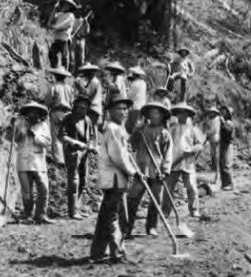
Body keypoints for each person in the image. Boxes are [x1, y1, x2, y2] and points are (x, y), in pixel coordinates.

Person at [90, 94, 137, 263]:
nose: (124, 112)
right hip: (114, 178)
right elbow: (118, 156)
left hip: (114, 178)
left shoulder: (118, 128)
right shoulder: (113, 129)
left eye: (126, 109)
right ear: (110, 111)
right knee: (114, 217)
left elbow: (124, 153)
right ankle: (117, 253)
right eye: (120, 109)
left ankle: (97, 252)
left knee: (106, 215)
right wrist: (133, 171)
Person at [127, 102, 173, 236]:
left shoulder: (165, 134)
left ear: (162, 116)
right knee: (133, 199)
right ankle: (127, 226)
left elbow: (168, 154)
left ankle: (152, 226)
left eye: (156, 113)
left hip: (157, 171)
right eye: (151, 113)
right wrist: (136, 131)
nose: (153, 116)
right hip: (141, 170)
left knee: (155, 200)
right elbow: (131, 145)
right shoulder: (141, 130)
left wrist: (165, 170)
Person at [15, 102, 54, 224]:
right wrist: (17, 128)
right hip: (23, 161)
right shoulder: (20, 124)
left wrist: (35, 136)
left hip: (38, 161)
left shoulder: (43, 126)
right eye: (31, 112)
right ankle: (28, 215)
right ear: (27, 113)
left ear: (39, 114)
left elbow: (48, 143)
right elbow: (14, 139)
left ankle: (41, 215)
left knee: (43, 188)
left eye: (36, 112)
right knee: (27, 191)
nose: (33, 114)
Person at [162, 102, 203, 218]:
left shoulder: (193, 130)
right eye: (180, 113)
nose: (182, 115)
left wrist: (191, 150)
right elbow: (164, 144)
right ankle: (165, 211)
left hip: (188, 163)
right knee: (168, 188)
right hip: (173, 162)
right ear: (177, 114)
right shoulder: (172, 129)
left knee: (192, 187)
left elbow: (200, 145)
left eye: (185, 113)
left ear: (188, 115)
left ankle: (194, 210)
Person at [60, 95, 96, 220]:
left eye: (85, 107)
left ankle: (79, 207)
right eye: (80, 106)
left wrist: (91, 146)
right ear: (75, 107)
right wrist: (75, 143)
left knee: (83, 180)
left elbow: (91, 136)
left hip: (85, 152)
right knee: (74, 181)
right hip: (73, 152)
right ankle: (72, 210)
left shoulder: (87, 120)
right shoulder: (68, 118)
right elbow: (63, 136)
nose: (82, 109)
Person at [45, 67, 74, 166]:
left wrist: (45, 109)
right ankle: (68, 158)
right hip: (68, 113)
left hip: (57, 112)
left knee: (56, 136)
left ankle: (59, 160)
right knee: (66, 136)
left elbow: (48, 102)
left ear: (56, 77)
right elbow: (72, 102)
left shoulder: (53, 87)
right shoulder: (70, 89)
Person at [48, 0, 78, 70]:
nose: (64, 6)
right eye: (63, 4)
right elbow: (51, 21)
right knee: (51, 53)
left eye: (66, 5)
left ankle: (65, 71)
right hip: (57, 38)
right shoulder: (59, 15)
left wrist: (55, 27)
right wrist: (54, 10)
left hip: (64, 39)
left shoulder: (71, 15)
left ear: (69, 7)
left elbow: (65, 24)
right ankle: (54, 68)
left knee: (64, 56)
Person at [75, 63, 102, 142]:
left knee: (91, 127)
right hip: (95, 107)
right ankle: (94, 144)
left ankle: (93, 145)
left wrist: (79, 86)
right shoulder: (92, 82)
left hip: (93, 107)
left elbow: (87, 94)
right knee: (93, 127)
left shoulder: (94, 82)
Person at [125, 66, 148, 134]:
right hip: (143, 107)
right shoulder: (144, 83)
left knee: (132, 126)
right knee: (139, 125)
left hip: (135, 107)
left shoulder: (135, 83)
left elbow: (129, 96)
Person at [70, 7, 91, 74]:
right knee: (72, 55)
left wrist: (86, 23)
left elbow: (87, 31)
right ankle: (71, 70)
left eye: (79, 11)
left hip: (82, 39)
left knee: (82, 57)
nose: (78, 12)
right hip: (74, 38)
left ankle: (81, 72)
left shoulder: (83, 20)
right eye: (77, 10)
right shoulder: (72, 20)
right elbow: (70, 30)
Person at [219, 106, 235, 191]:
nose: (222, 112)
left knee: (226, 164)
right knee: (222, 164)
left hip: (228, 145)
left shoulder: (229, 123)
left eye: (224, 111)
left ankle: (229, 184)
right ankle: (224, 183)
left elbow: (227, 131)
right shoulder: (224, 122)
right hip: (222, 144)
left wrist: (222, 122)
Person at [204, 107, 221, 182]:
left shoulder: (216, 120)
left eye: (211, 112)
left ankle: (215, 175)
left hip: (215, 138)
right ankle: (214, 174)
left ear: (214, 113)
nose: (210, 114)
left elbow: (214, 130)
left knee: (215, 157)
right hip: (213, 139)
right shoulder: (212, 120)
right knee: (213, 156)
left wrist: (207, 132)